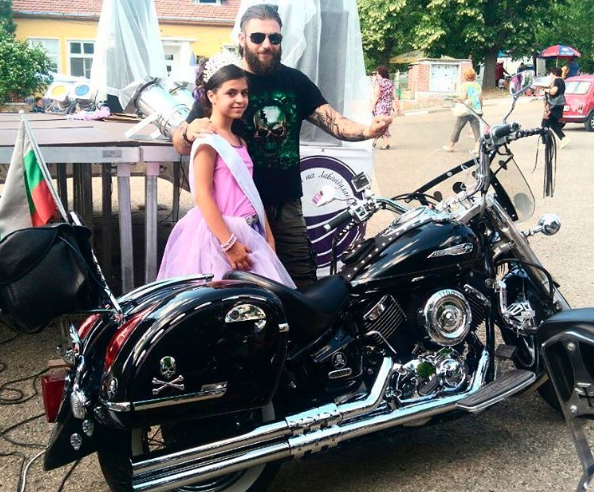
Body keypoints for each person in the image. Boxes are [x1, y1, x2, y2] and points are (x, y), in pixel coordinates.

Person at [172, 4, 391, 288]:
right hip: (237, 212)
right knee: (241, 291)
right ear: (242, 38)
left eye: (274, 38)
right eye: (258, 37)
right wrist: (188, 131)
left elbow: (333, 121)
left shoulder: (294, 82)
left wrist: (368, 131)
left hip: (285, 204)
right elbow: (181, 142)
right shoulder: (227, 82)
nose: (266, 44)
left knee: (301, 283)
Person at [157, 60, 294, 287]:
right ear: (212, 96)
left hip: (250, 231)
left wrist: (268, 235)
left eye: (244, 93)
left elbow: (250, 191)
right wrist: (229, 244)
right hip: (220, 236)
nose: (240, 99)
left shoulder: (240, 141)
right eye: (231, 93)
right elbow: (202, 195)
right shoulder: (208, 140)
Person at [443, 67, 483, 153]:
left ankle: (450, 146)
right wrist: (481, 110)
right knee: (476, 130)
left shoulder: (464, 85)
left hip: (466, 110)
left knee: (457, 128)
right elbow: (480, 99)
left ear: (465, 76)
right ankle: (477, 148)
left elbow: (463, 97)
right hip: (476, 110)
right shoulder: (478, 85)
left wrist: (455, 99)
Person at [371, 65, 400, 150]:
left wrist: (372, 105)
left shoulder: (379, 83)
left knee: (380, 124)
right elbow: (395, 96)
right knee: (383, 123)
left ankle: (385, 143)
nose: (376, 75)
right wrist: (398, 107)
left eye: (377, 73)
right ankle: (375, 140)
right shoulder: (391, 83)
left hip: (380, 105)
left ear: (380, 74)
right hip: (388, 105)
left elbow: (377, 96)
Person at [542, 66, 570, 148]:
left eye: (550, 73)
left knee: (544, 124)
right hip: (558, 106)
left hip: (553, 106)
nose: (550, 75)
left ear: (554, 73)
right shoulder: (562, 81)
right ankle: (564, 138)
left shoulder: (557, 81)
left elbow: (553, 91)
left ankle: (545, 143)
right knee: (554, 125)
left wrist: (545, 90)